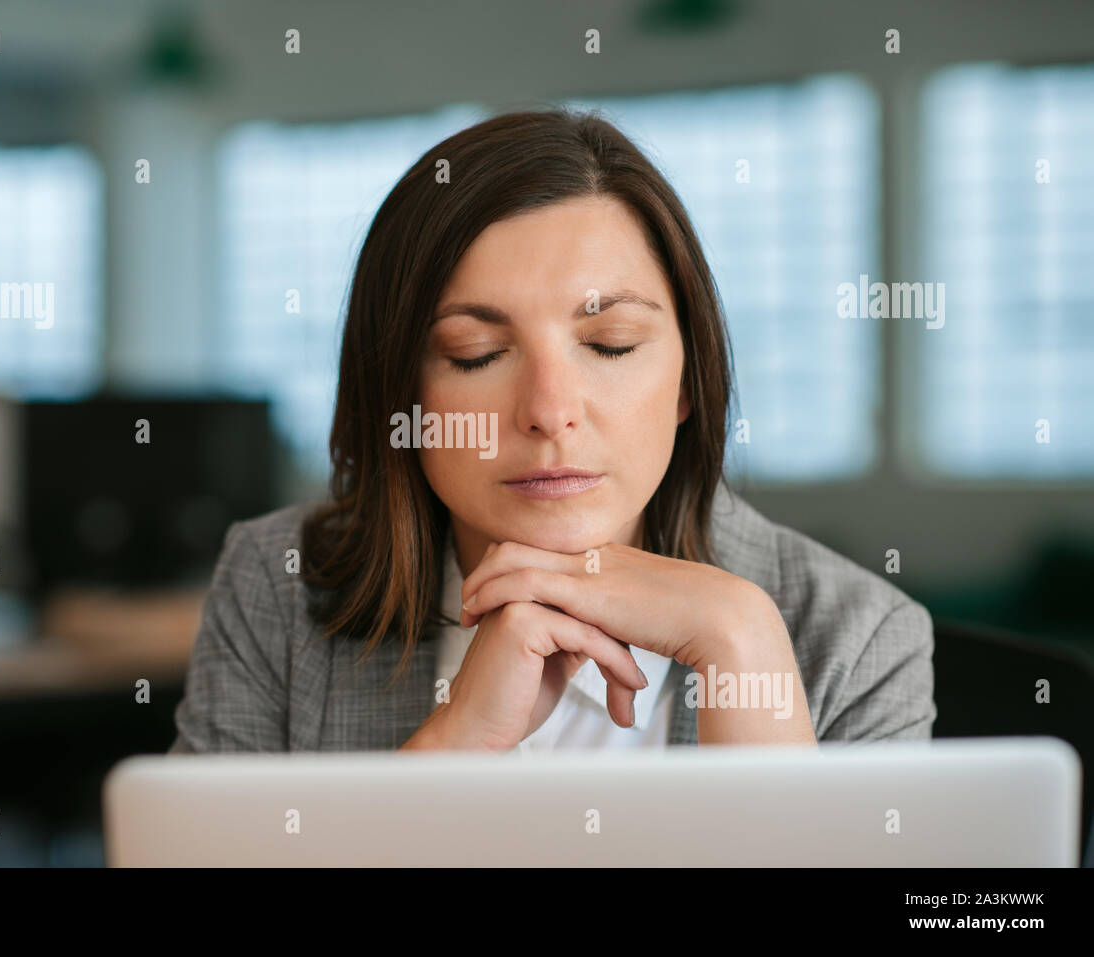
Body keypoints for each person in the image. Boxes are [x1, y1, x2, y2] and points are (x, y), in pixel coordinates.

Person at [169, 108, 935, 755]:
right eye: (476, 354)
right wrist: (449, 747)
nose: (549, 409)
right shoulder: (277, 584)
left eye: (610, 346)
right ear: (400, 395)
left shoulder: (859, 636)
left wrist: (741, 643)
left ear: (687, 384)